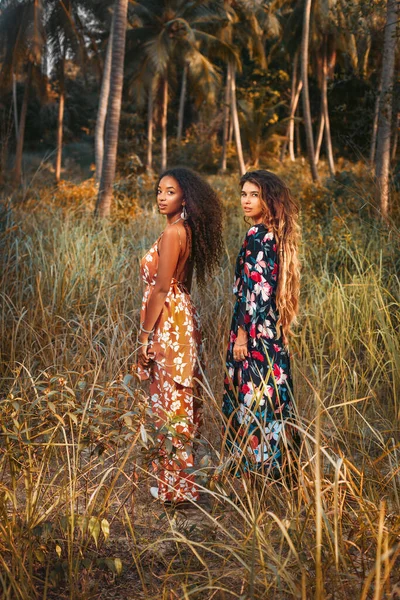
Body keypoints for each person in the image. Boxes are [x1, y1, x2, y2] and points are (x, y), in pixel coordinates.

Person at [137, 167, 223, 504]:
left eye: (169, 191)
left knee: (171, 400)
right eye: (159, 190)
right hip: (182, 318)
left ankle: (177, 488)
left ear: (184, 197)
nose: (161, 197)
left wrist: (143, 337)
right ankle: (177, 483)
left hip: (170, 322)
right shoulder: (184, 229)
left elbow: (160, 289)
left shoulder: (175, 233)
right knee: (177, 400)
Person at [222, 170, 300, 476]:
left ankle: (257, 472)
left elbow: (256, 293)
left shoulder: (257, 236)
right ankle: (277, 469)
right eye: (244, 194)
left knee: (252, 399)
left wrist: (242, 336)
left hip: (253, 333)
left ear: (269, 199)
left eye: (254, 195)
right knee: (271, 400)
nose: (246, 200)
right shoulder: (275, 234)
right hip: (271, 333)